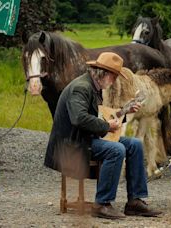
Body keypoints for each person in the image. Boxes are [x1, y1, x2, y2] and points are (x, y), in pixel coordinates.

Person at [44, 52, 162, 219]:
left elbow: (100, 117)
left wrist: (125, 113)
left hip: (87, 138)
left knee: (134, 145)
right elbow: (79, 118)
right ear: (104, 73)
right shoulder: (81, 88)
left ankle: (135, 201)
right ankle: (102, 204)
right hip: (72, 144)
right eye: (114, 77)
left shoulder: (93, 86)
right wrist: (107, 126)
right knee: (116, 149)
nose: (115, 81)